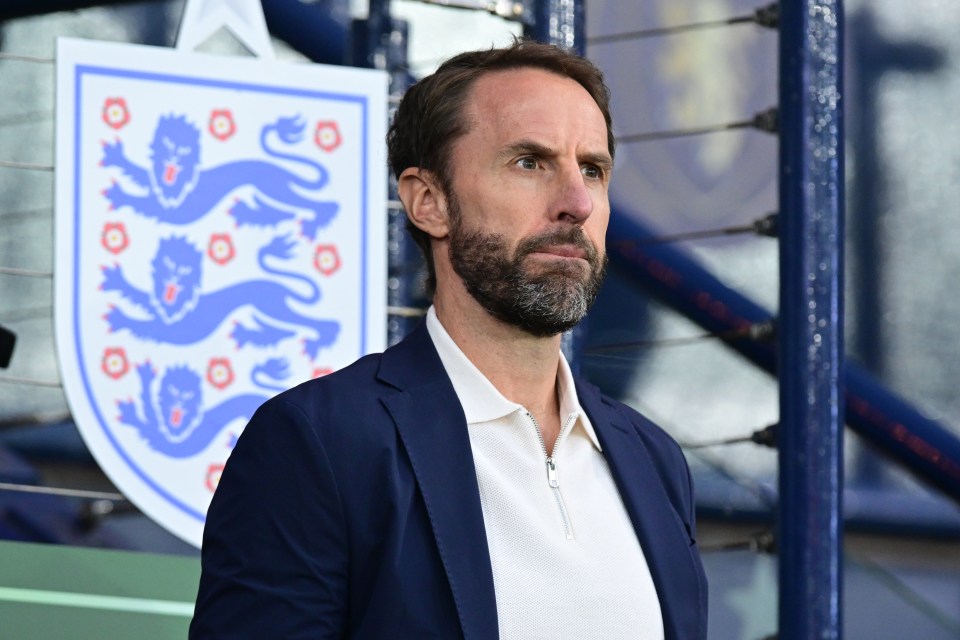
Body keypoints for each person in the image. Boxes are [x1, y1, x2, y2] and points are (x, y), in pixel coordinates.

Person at [190, 39, 707, 639]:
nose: (576, 202)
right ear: (429, 202)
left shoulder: (654, 461)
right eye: (529, 163)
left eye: (592, 168)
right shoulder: (322, 443)